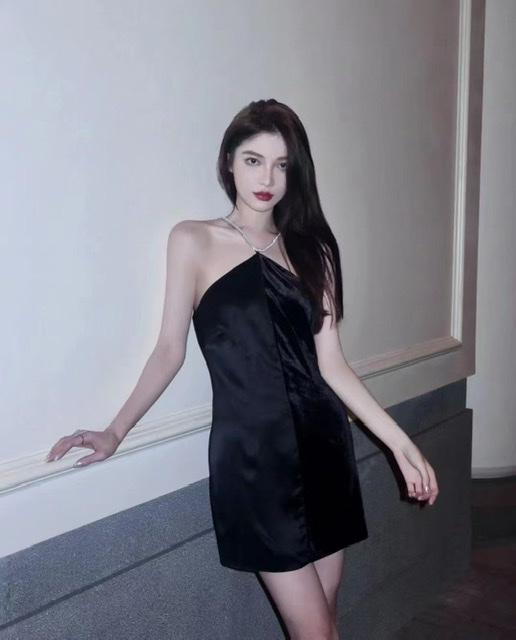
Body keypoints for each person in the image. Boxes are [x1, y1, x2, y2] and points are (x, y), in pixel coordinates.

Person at [46, 98, 438, 640]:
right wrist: (115, 431)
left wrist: (398, 443)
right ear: (229, 161)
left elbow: (332, 364)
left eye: (282, 165)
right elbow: (169, 350)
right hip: (254, 459)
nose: (267, 179)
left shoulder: (314, 249)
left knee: (326, 622)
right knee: (316, 632)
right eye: (254, 161)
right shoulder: (193, 239)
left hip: (324, 447)